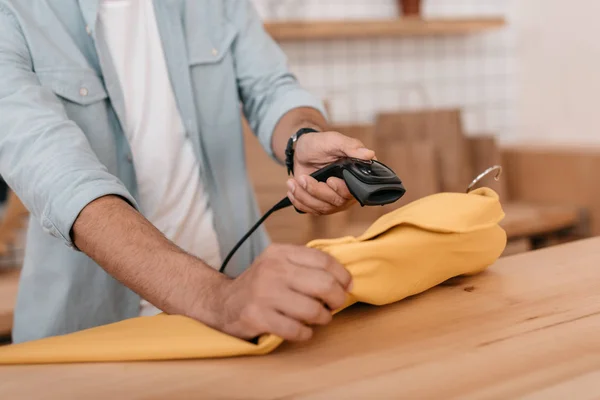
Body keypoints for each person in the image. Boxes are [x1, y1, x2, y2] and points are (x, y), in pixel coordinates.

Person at [0, 0, 376, 344]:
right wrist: (219, 298)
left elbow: (270, 88)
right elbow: (63, 183)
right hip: (97, 342)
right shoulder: (14, 12)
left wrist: (303, 138)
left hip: (242, 317)